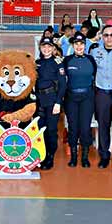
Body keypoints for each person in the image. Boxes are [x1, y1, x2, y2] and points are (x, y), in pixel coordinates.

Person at [89, 25, 112, 168]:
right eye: (106, 35)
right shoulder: (95, 51)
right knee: (103, 125)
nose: (109, 38)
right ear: (101, 36)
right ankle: (104, 155)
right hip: (102, 92)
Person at [62, 33, 97, 167]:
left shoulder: (91, 60)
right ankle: (74, 157)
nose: (79, 46)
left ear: (85, 45)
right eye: (76, 44)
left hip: (87, 97)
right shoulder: (67, 60)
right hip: (71, 97)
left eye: (81, 44)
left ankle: (84, 157)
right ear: (73, 45)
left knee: (85, 127)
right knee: (73, 127)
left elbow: (95, 77)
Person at [34, 37, 67, 170]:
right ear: (40, 48)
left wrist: (58, 102)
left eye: (49, 46)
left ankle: (50, 155)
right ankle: (41, 154)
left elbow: (63, 84)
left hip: (52, 99)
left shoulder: (58, 62)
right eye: (43, 47)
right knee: (40, 128)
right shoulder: (37, 63)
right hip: (39, 100)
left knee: (51, 129)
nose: (46, 49)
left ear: (53, 48)